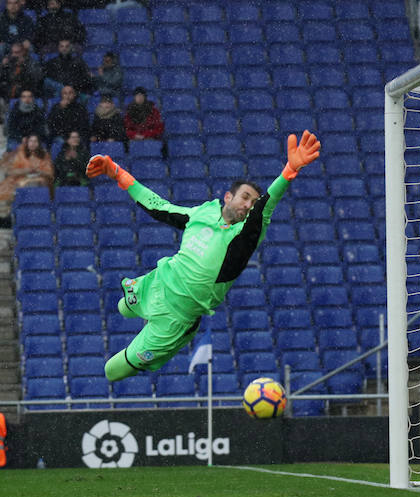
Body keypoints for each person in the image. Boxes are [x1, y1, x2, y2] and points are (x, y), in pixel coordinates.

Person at [86, 130, 321, 381]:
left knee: (111, 372)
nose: (248, 205)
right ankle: (135, 303)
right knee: (123, 308)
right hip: (157, 283)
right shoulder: (202, 214)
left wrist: (288, 172)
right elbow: (158, 206)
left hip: (177, 319)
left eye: (253, 202)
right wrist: (118, 173)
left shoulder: (245, 235)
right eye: (244, 197)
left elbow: (267, 205)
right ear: (228, 197)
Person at [0, 134, 55, 210]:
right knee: (20, 184)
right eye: (31, 141)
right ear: (27, 143)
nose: (33, 144)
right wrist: (25, 171)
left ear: (39, 144)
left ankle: (40, 208)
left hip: (40, 179)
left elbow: (50, 173)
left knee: (41, 183)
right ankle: (21, 208)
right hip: (22, 178)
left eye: (35, 141)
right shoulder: (20, 154)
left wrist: (39, 171)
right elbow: (12, 171)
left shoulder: (44, 155)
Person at [0, 42, 43, 126]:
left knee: (18, 90)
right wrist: (2, 65)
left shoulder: (31, 62)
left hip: (25, 88)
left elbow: (37, 78)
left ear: (23, 52)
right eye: (13, 52)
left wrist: (24, 65)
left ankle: (10, 117)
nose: (14, 55)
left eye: (17, 52)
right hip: (10, 87)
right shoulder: (10, 61)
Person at [0, 0, 34, 67]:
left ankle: (28, 70)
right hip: (7, 48)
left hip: (22, 47)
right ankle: (3, 68)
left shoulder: (26, 20)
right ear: (6, 5)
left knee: (30, 47)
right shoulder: (0, 21)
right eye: (10, 3)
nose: (13, 6)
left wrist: (24, 42)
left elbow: (32, 35)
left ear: (19, 4)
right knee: (0, 48)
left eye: (15, 3)